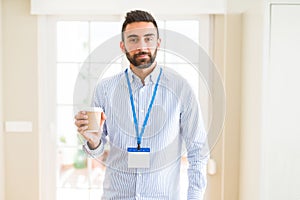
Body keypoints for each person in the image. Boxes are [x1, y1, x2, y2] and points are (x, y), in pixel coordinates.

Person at [74, 10, 208, 200]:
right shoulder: (105, 89)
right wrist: (93, 141)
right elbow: (95, 151)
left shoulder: (180, 88)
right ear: (123, 46)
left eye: (148, 38)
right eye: (133, 39)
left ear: (158, 43)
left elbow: (198, 150)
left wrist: (194, 197)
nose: (142, 46)